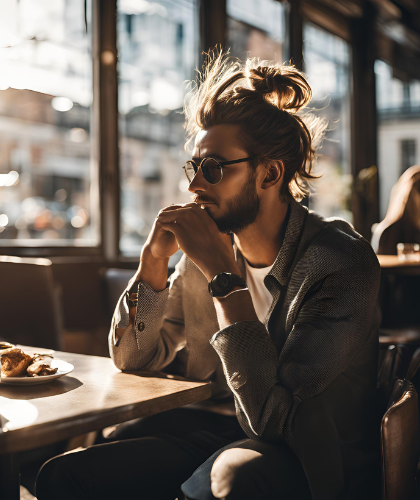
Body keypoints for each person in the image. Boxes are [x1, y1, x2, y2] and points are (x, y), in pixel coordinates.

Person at [36, 52, 381, 500]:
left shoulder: (337, 262)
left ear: (270, 173)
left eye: (213, 168)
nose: (195, 185)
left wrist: (223, 278)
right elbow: (135, 360)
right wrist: (152, 266)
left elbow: (275, 419)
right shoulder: (210, 251)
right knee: (65, 475)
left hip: (306, 456)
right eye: (194, 167)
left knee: (228, 483)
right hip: (215, 426)